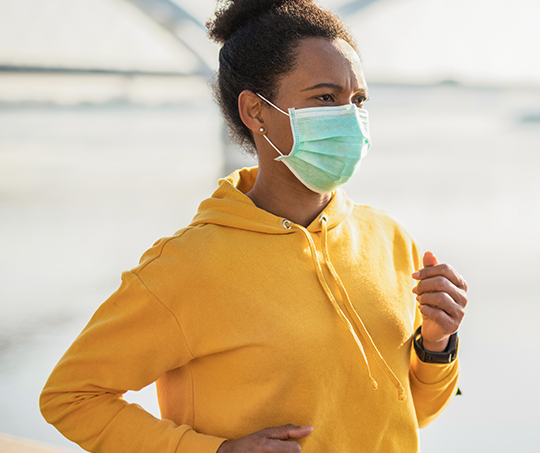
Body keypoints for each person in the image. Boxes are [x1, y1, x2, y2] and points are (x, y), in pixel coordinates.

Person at [39, 1, 469, 452]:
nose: (350, 117)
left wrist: (438, 344)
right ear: (255, 112)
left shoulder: (391, 240)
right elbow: (70, 397)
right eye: (325, 98)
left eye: (357, 100)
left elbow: (412, 414)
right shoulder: (190, 264)